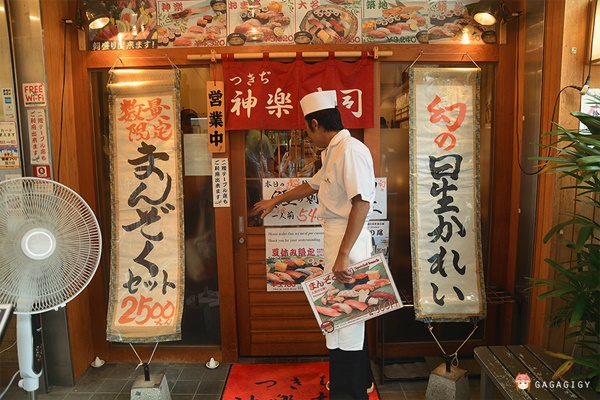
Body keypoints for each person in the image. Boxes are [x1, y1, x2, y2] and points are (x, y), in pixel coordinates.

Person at [252, 90, 376, 399]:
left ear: (317, 124)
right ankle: (355, 384)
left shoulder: (350, 150)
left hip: (349, 245)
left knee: (347, 322)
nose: (308, 136)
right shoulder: (333, 152)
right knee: (338, 320)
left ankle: (351, 393)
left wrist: (344, 255)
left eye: (308, 129)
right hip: (336, 242)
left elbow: (362, 203)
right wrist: (275, 200)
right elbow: (312, 184)